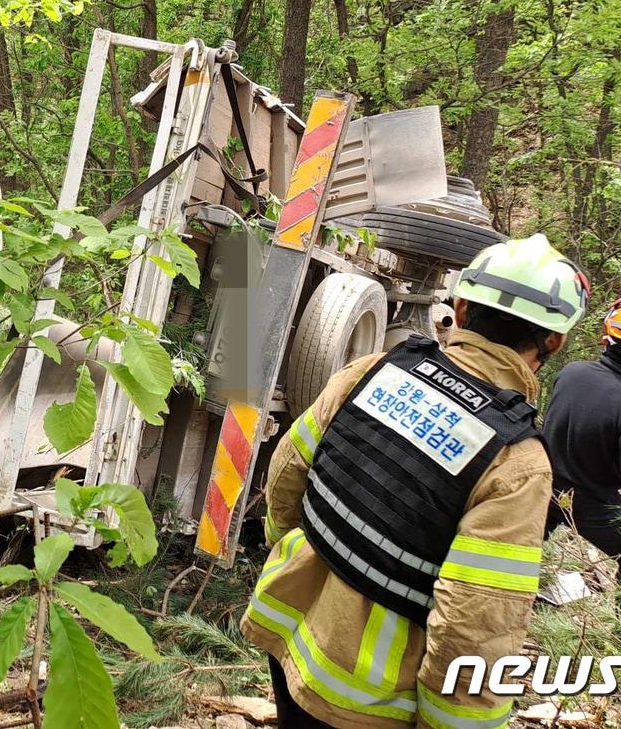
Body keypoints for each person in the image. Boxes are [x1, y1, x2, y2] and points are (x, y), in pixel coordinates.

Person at [241, 234, 588, 729]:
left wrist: (294, 551)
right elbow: (476, 619)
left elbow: (288, 469)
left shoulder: (373, 369)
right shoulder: (516, 462)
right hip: (367, 698)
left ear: (462, 306)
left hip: (288, 625)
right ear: (554, 340)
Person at [543, 296, 621, 599]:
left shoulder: (571, 373)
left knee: (528, 543)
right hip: (592, 503)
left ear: (606, 339)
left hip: (543, 484)